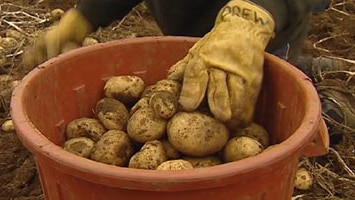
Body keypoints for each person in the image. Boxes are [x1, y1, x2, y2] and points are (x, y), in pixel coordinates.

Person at [22, 0, 354, 133]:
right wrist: (86, 16)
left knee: (248, 111)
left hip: (257, 33)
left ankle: (314, 92)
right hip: (188, 32)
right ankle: (306, 67)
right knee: (190, 97)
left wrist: (252, 15)